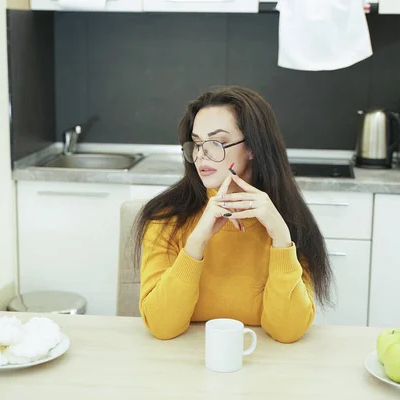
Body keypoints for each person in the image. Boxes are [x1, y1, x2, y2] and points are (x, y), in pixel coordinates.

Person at [132, 86, 333, 344]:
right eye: (197, 143)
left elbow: (287, 331)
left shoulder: (288, 221)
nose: (202, 154)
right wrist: (196, 243)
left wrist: (282, 240)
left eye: (218, 143)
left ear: (253, 148)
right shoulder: (165, 219)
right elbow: (161, 326)